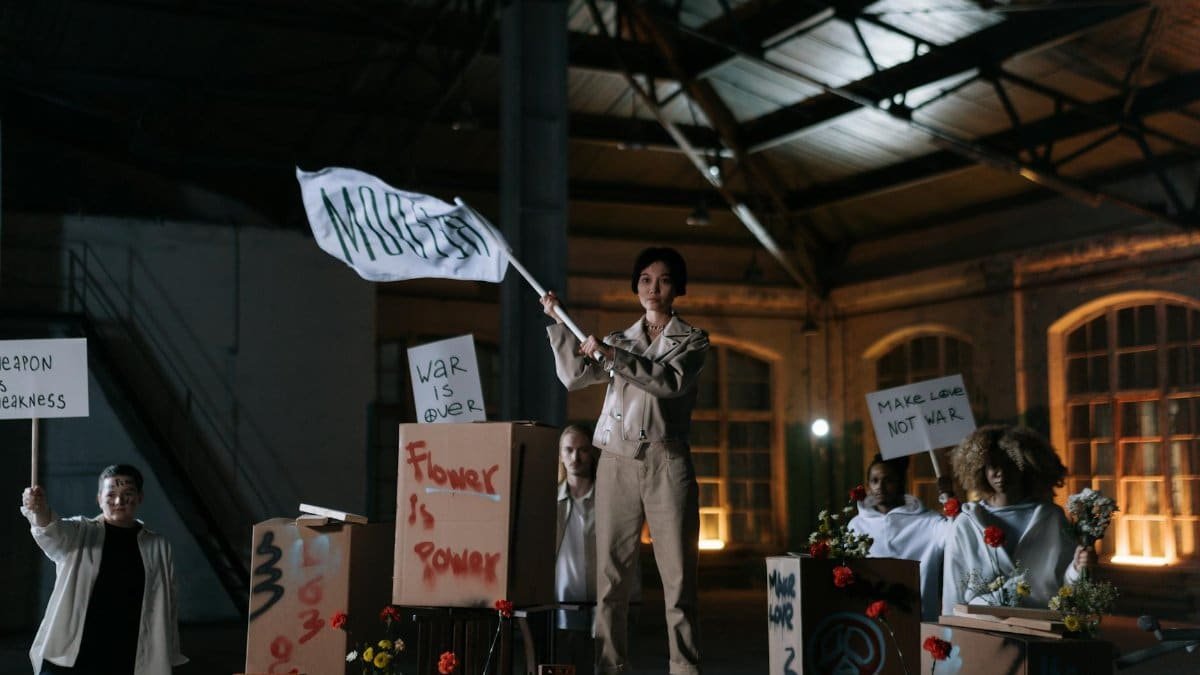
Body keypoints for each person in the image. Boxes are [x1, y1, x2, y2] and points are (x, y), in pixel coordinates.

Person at [542, 246, 708, 675]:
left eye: (664, 279)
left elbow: (669, 382)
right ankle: (610, 666)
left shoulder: (691, 340)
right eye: (646, 279)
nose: (654, 288)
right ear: (636, 285)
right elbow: (574, 377)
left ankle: (684, 668)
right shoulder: (618, 340)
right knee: (610, 580)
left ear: (677, 289)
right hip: (615, 461)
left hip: (667, 462)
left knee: (678, 580)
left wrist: (615, 358)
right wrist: (560, 322)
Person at [21, 464, 187, 675]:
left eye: (128, 494)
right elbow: (51, 531)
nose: (119, 502)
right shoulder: (79, 532)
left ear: (140, 498)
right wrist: (39, 510)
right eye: (111, 495)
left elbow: (168, 602)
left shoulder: (158, 545)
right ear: (99, 498)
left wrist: (168, 653)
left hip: (127, 653)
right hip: (76, 655)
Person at [941, 425, 1094, 614]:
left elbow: (1066, 586)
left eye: (1010, 464)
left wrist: (1077, 568)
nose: (1000, 473)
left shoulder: (1051, 518)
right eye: (993, 465)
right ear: (980, 468)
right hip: (980, 629)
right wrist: (950, 638)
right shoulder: (965, 523)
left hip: (1040, 628)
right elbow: (952, 592)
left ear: (1027, 467)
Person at [847, 454, 954, 621]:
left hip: (918, 620)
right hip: (869, 621)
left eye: (888, 480)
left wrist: (949, 498)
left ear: (901, 483)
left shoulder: (929, 522)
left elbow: (956, 535)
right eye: (874, 480)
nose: (880, 487)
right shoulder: (856, 525)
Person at [555, 424, 598, 673]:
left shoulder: (606, 501)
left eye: (582, 450)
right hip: (562, 606)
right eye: (569, 450)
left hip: (600, 604)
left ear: (591, 452)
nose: (575, 457)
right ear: (560, 454)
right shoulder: (551, 501)